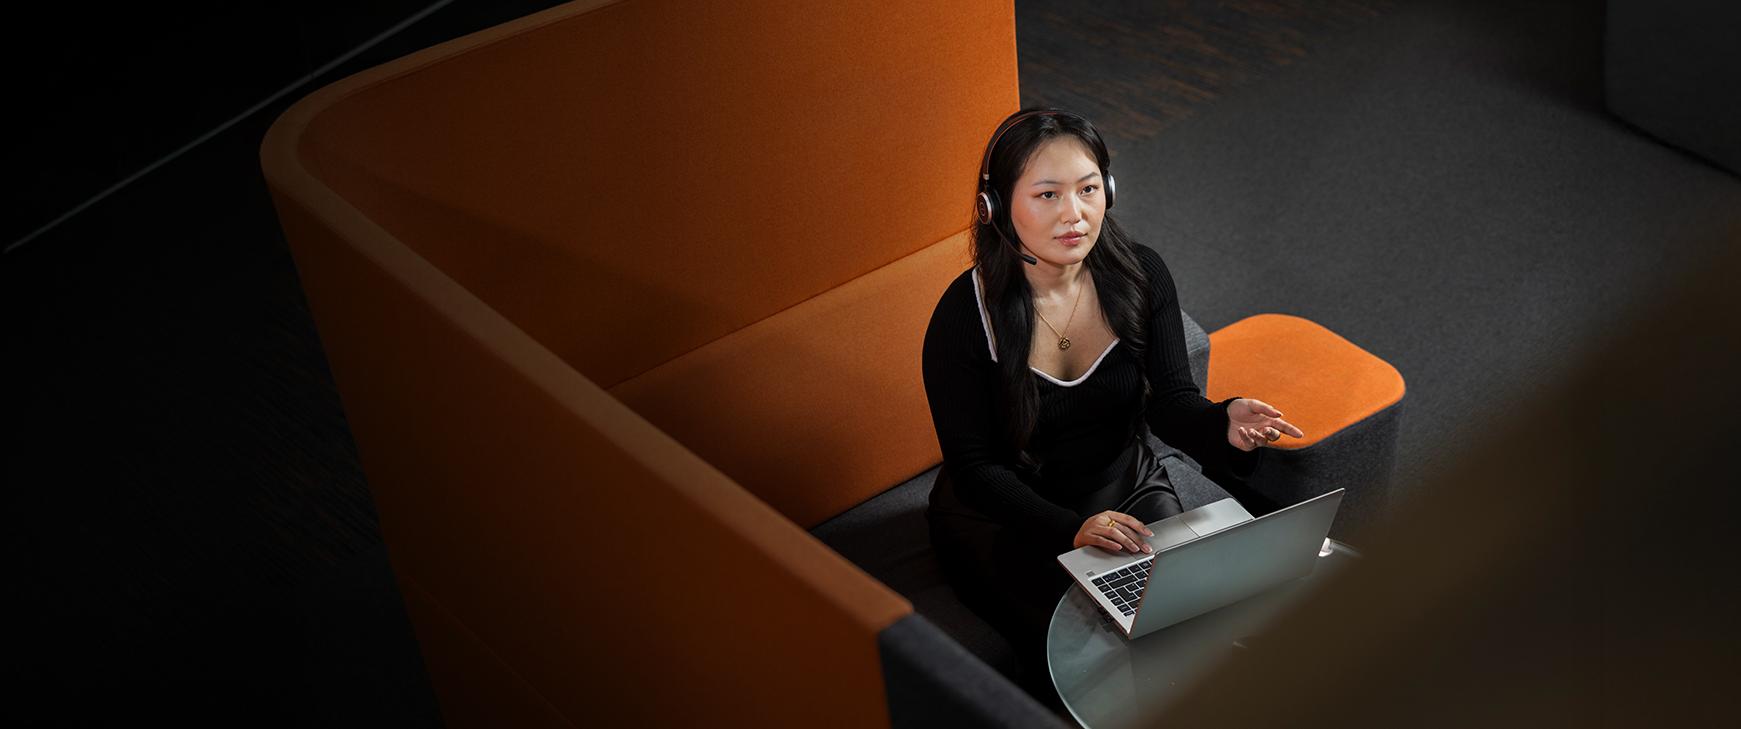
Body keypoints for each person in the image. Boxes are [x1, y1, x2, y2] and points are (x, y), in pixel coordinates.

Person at [921, 108, 1305, 706]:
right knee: (1089, 663)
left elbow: (1173, 404)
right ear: (995, 206)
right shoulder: (963, 317)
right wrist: (1069, 529)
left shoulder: (1140, 272)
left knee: (1200, 623)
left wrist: (1222, 422)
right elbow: (976, 470)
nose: (1074, 215)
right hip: (1011, 515)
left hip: (1123, 486)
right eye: (1047, 194)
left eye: (1089, 189)